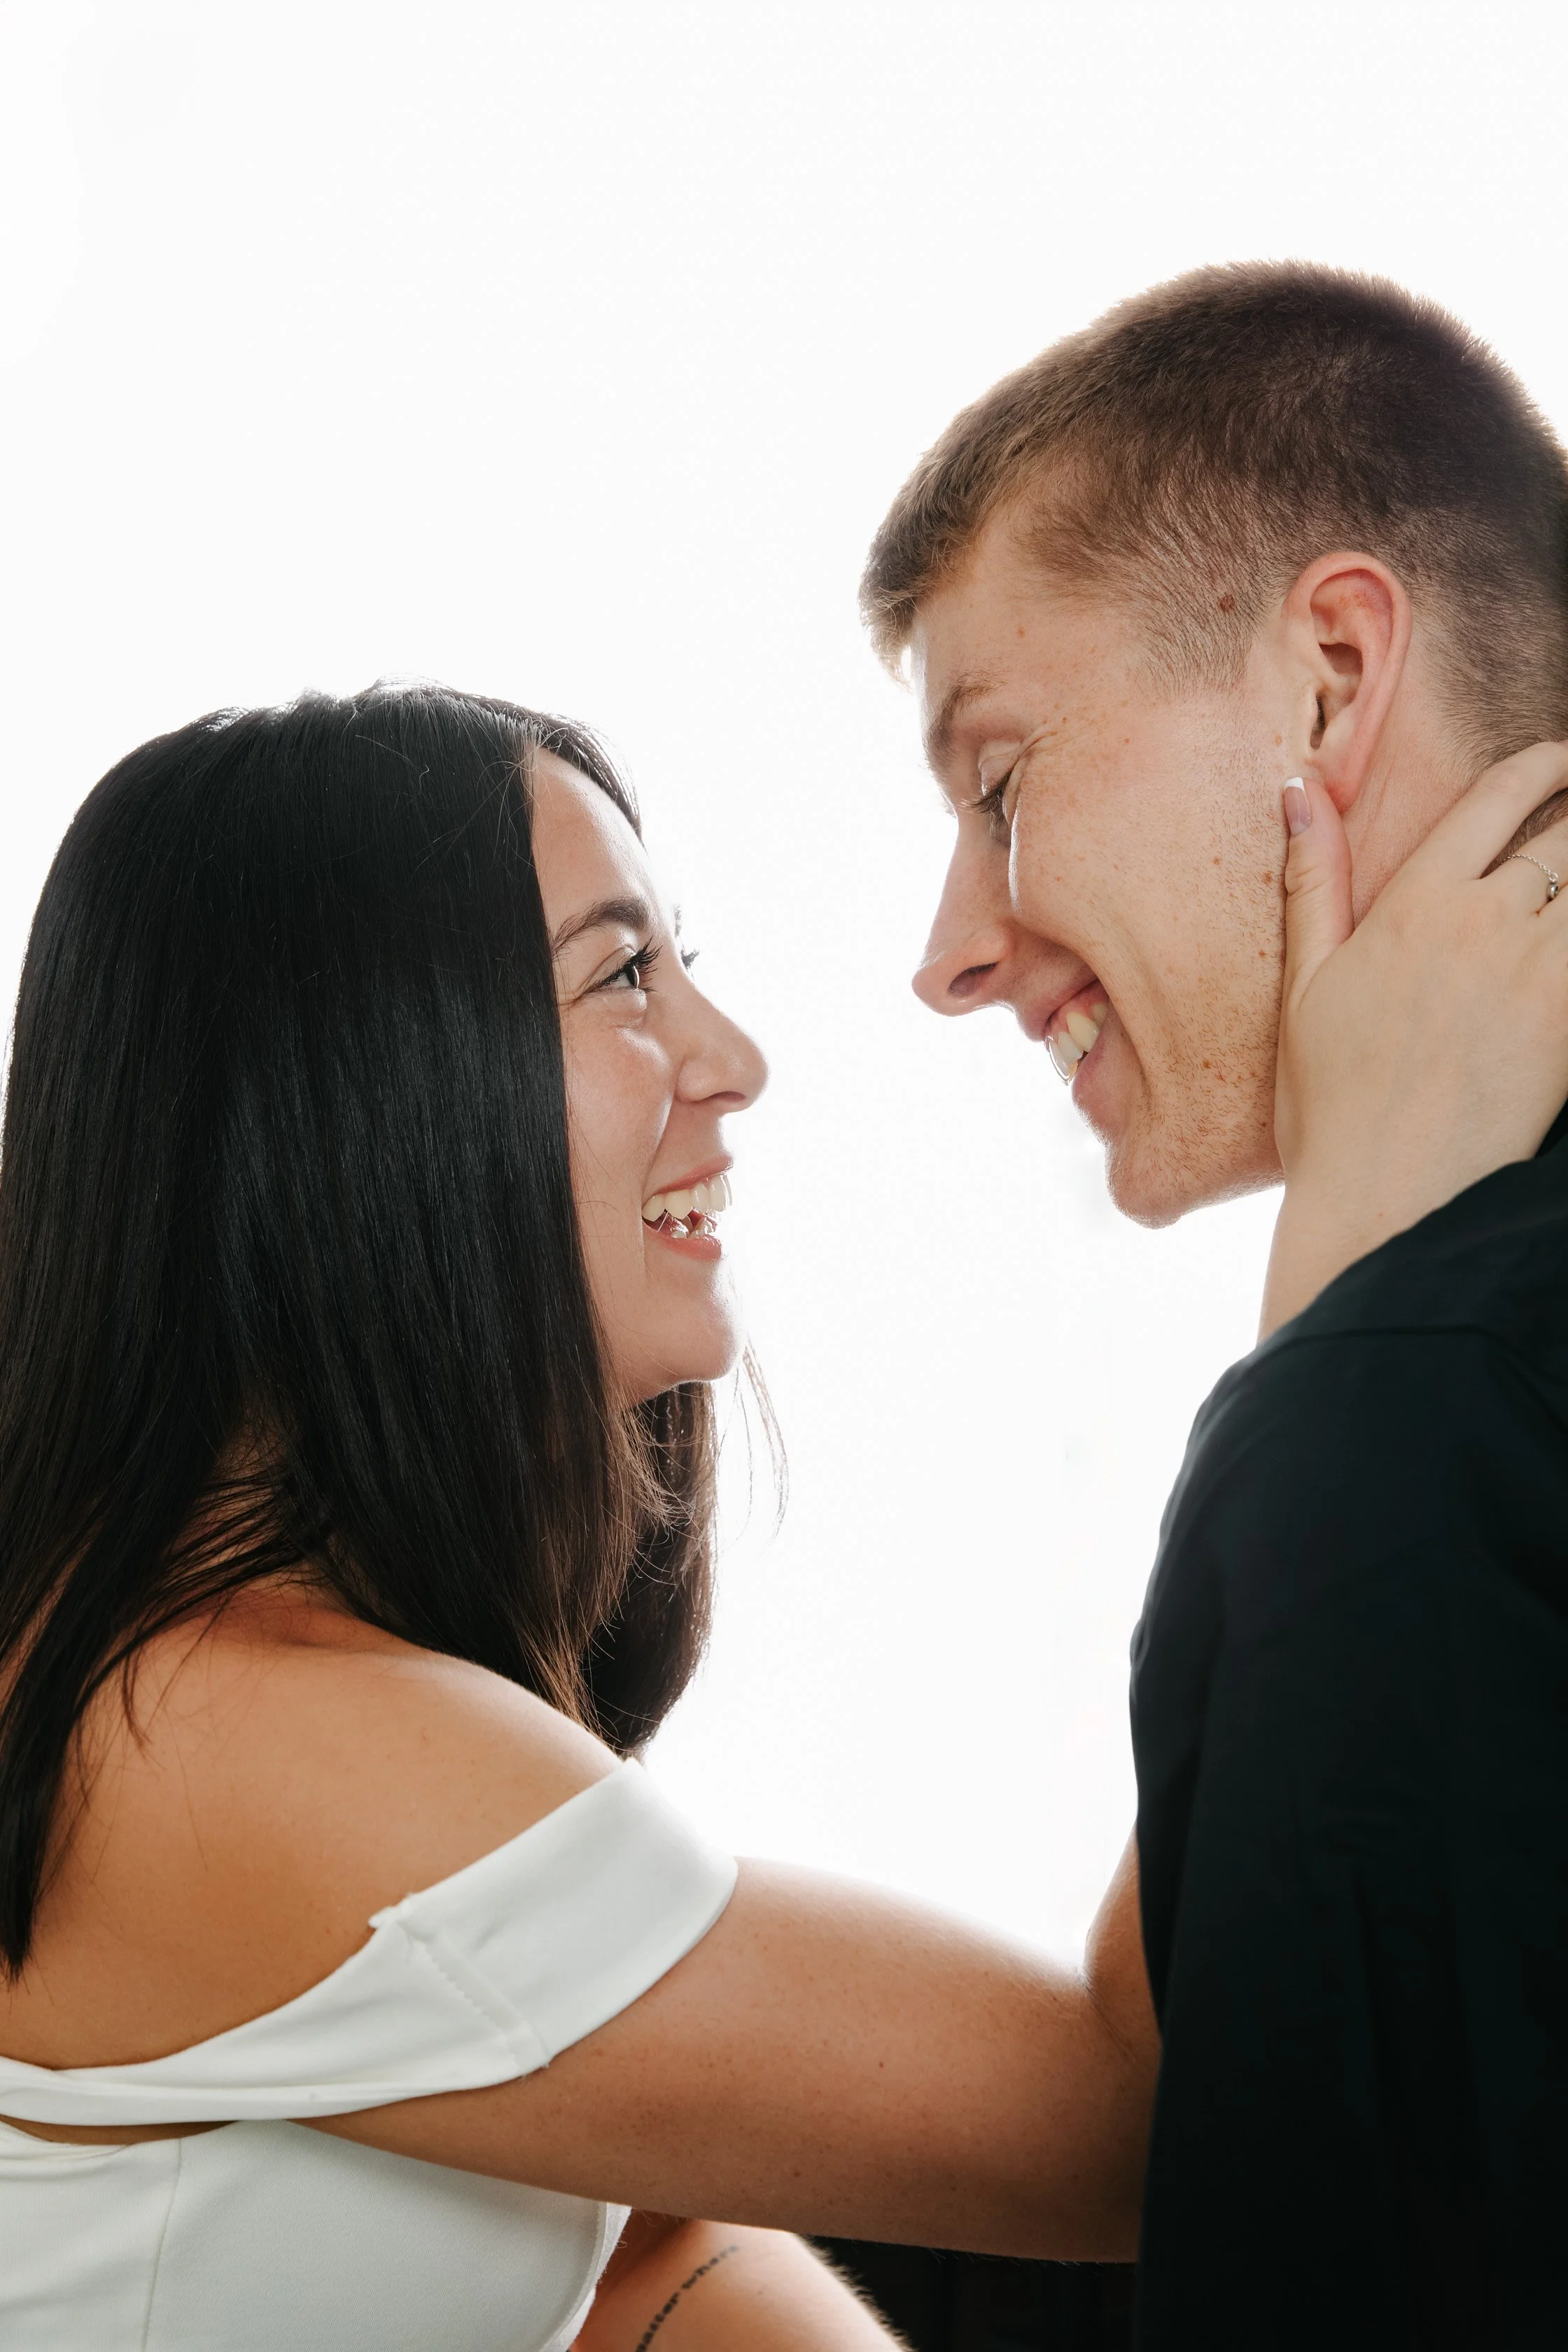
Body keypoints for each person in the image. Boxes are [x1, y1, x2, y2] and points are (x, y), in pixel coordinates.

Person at [0, 690, 1560, 2350]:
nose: (730, 1059)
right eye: (620, 974)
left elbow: (627, 2241)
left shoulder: (197, 1681)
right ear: (354, 1095)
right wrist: (1361, 1253)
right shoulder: (230, 1736)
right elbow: (1140, 2114)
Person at [861, 262, 1568, 2344]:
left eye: (999, 788)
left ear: (1335, 678)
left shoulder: (1415, 1429)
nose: (951, 953)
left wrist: (1356, 1353)